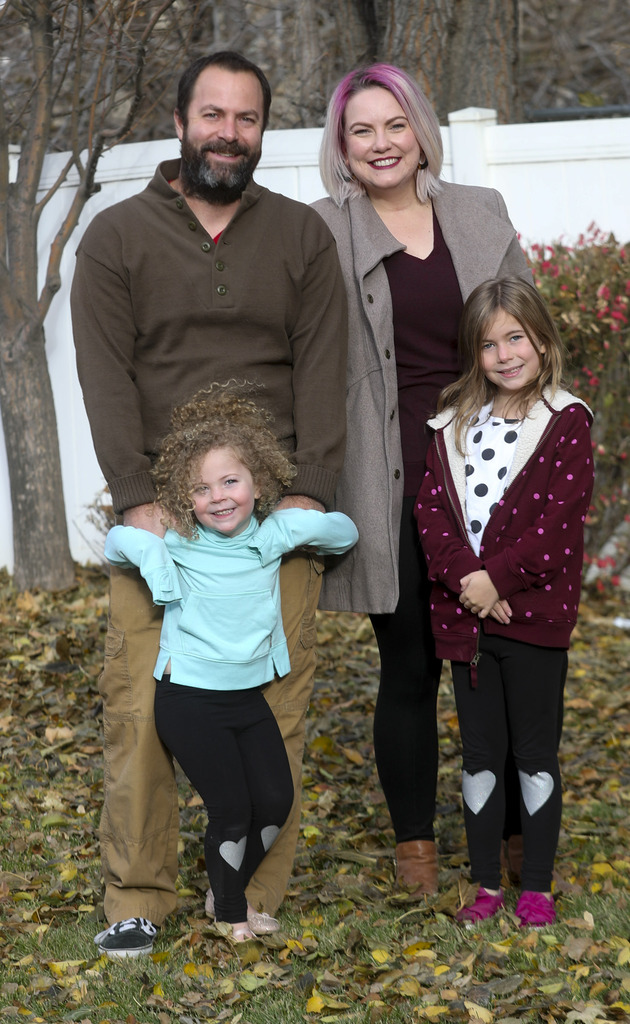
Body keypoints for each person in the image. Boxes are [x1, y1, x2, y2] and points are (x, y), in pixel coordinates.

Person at [71, 50, 348, 958]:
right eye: (213, 115)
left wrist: (307, 494)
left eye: (247, 118)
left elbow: (325, 368)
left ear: (264, 129)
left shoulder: (301, 236)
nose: (229, 133)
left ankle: (249, 893)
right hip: (164, 521)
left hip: (270, 521)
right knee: (141, 710)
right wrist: (135, 499)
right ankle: (138, 896)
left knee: (277, 708)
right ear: (181, 121)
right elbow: (105, 376)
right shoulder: (116, 237)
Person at [312, 63, 532, 895]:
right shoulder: (323, 231)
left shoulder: (480, 212)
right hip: (393, 483)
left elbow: (531, 335)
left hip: (494, 476)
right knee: (409, 669)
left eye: (395, 124)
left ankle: (514, 841)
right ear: (342, 146)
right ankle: (416, 853)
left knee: (499, 661)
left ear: (420, 131)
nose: (381, 144)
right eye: (361, 130)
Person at [101, 387, 358, 947]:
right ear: (185, 497)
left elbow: (346, 533)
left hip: (247, 697)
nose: (218, 497)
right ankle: (232, 915)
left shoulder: (270, 537)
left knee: (276, 800)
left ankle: (226, 890)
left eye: (230, 482)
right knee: (232, 808)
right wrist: (153, 556)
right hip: (188, 699)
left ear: (258, 485)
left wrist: (299, 524)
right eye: (201, 488)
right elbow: (116, 541)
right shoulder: (181, 540)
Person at [415, 277, 594, 925]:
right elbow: (432, 514)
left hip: (534, 619)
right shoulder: (453, 426)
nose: (505, 355)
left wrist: (499, 580)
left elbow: (559, 523)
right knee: (481, 757)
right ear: (474, 353)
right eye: (488, 345)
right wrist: (470, 582)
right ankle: (486, 883)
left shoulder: (566, 421)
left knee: (534, 755)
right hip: (468, 624)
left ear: (541, 340)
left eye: (516, 338)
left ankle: (537, 885)